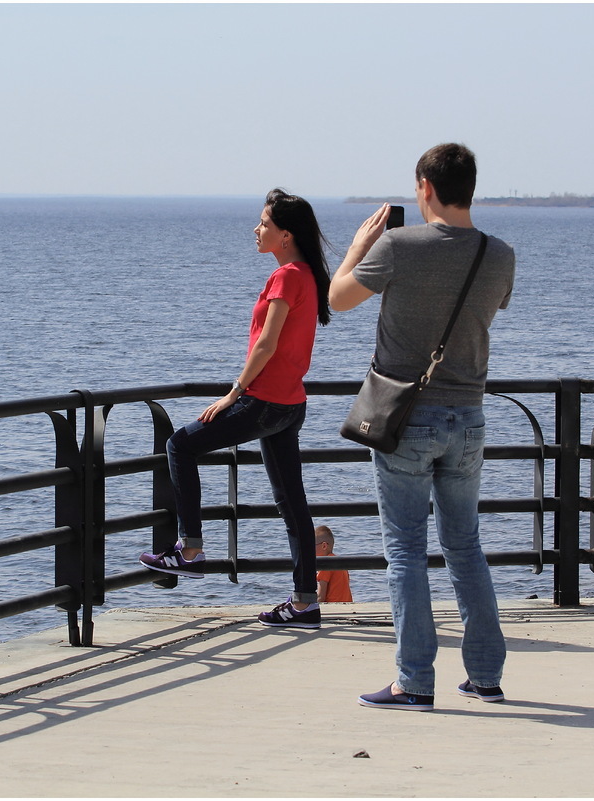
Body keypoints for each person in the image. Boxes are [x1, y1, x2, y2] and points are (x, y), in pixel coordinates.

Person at [328, 143, 515, 711]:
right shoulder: (499, 254)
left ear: (425, 187)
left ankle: (414, 680)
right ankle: (485, 676)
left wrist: (358, 248)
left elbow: (338, 299)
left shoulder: (399, 245)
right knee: (465, 546)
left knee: (406, 549)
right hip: (469, 418)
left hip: (405, 418)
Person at [140, 189, 332, 629]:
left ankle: (190, 549)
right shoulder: (307, 274)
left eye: (264, 223)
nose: (256, 229)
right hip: (290, 404)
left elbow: (267, 343)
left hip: (263, 401)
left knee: (179, 445)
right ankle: (305, 603)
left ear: (285, 235)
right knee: (293, 507)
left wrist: (234, 393)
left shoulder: (286, 277)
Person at [315, 525, 353, 603]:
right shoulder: (339, 562)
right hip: (347, 605)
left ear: (324, 546)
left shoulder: (325, 565)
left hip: (333, 606)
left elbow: (320, 597)